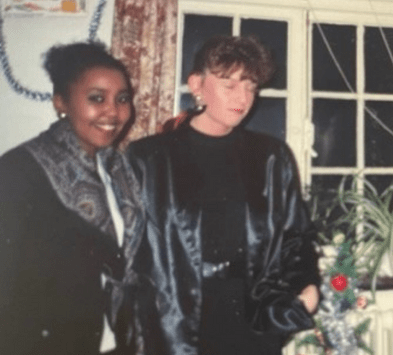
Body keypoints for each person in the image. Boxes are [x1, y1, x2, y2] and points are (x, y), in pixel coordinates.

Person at [127, 35, 320, 355]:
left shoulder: (271, 157)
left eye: (250, 86)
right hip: (175, 331)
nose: (243, 97)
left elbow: (295, 237)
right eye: (229, 85)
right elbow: (130, 253)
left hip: (252, 327)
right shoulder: (149, 159)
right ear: (197, 85)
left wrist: (307, 287)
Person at [0, 42, 144, 355]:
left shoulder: (122, 171)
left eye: (122, 99)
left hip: (117, 344)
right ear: (61, 102)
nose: (113, 111)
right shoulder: (19, 170)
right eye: (97, 98)